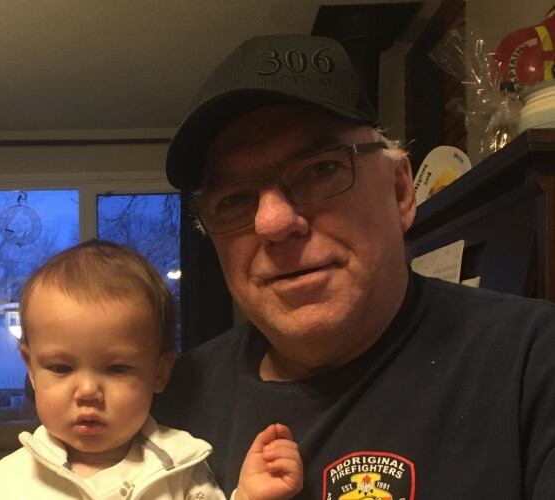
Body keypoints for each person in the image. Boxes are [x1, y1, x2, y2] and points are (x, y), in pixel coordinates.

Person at [153, 33, 555, 499]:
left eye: (320, 169)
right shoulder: (170, 396)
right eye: (234, 200)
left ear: (401, 191)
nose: (273, 221)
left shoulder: (533, 362)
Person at [0, 239, 303, 500]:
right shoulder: (5, 482)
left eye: (116, 368)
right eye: (61, 367)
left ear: (160, 372)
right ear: (31, 369)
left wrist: (248, 495)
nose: (87, 391)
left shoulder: (181, 466)